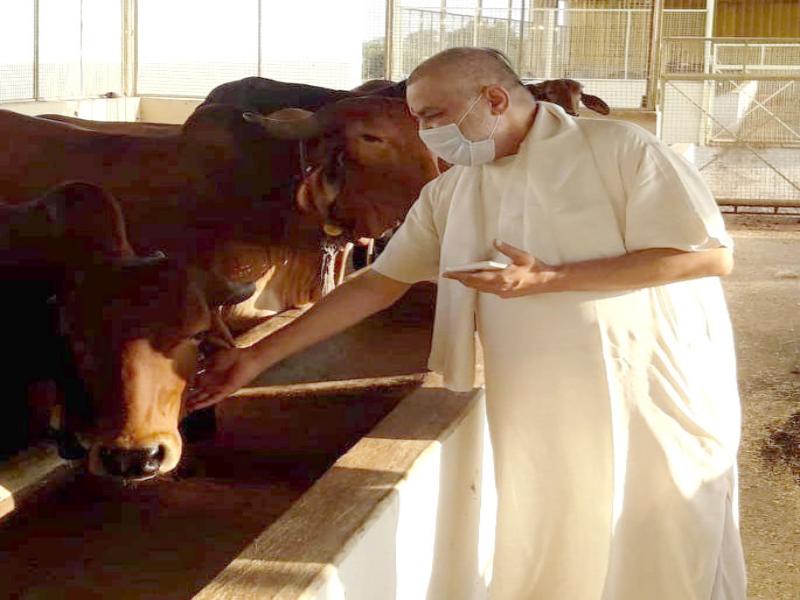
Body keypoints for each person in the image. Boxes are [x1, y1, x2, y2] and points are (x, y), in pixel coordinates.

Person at [189, 47, 746, 599]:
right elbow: (379, 282)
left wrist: (550, 278)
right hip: (541, 409)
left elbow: (707, 257)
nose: (426, 133)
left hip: (649, 392)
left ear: (495, 99)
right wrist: (255, 358)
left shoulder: (620, 150)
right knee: (558, 539)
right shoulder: (455, 190)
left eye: (433, 116)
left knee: (668, 540)